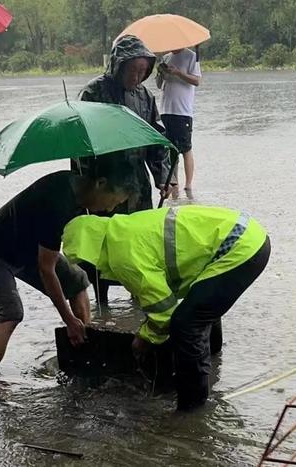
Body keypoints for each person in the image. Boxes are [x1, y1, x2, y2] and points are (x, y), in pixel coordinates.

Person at [62, 205, 270, 410]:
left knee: (186, 323)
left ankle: (192, 408)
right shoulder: (122, 230)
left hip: (238, 248)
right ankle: (212, 362)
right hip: (246, 234)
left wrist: (144, 339)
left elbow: (164, 313)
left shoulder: (123, 258)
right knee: (199, 306)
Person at [0, 158, 138, 380]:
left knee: (77, 281)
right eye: (113, 201)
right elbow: (46, 270)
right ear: (100, 183)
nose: (110, 208)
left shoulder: (76, 190)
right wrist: (68, 319)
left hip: (28, 248)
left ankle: (84, 344)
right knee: (11, 313)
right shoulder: (57, 202)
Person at [72, 34, 170, 304]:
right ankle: (101, 302)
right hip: (104, 184)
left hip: (137, 183)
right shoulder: (94, 92)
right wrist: (84, 188)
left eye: (143, 71)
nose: (137, 77)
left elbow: (156, 139)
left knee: (140, 242)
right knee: (103, 243)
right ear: (118, 65)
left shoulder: (145, 96)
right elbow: (79, 144)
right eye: (133, 70)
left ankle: (139, 297)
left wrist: (163, 177)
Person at [156, 48, 201, 198]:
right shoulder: (166, 57)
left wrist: (178, 73)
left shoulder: (191, 56)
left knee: (185, 148)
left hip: (182, 111)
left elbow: (196, 80)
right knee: (170, 148)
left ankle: (188, 185)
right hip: (166, 109)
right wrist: (160, 73)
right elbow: (158, 85)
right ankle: (174, 182)